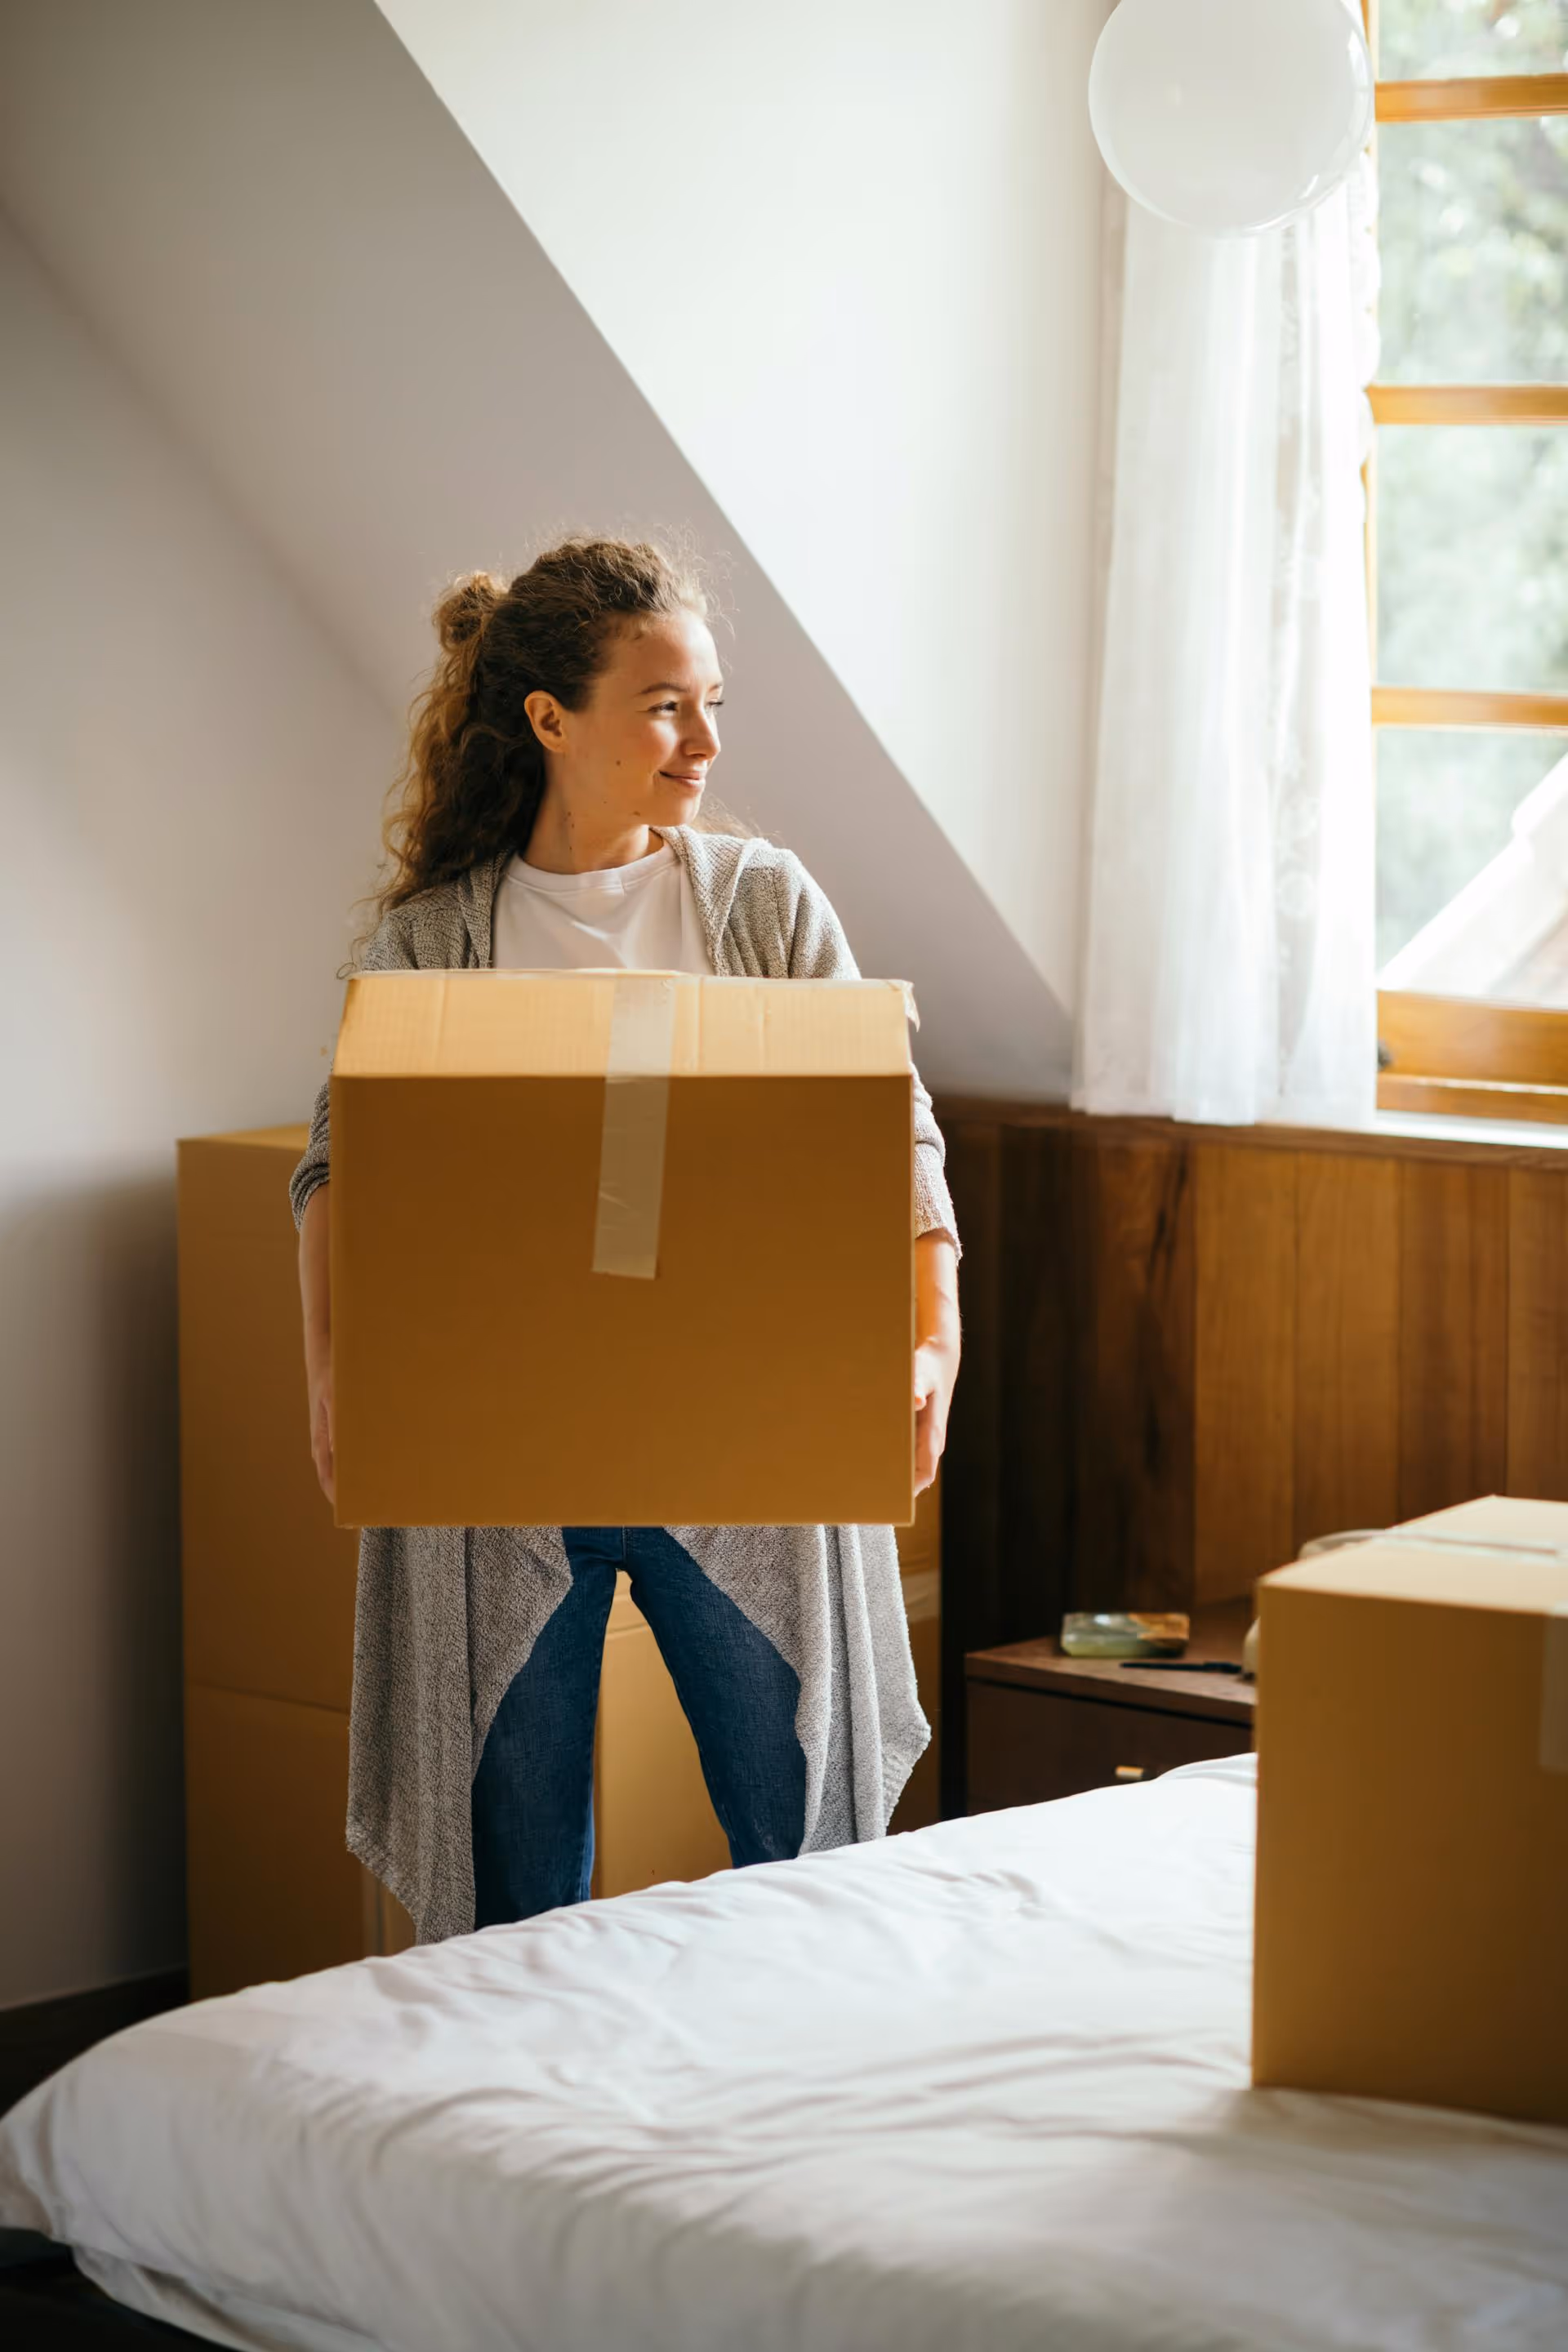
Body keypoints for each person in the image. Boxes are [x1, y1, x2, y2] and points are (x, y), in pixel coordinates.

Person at [291, 535, 962, 1942]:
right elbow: (342, 1170)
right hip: (498, 1467)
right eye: (667, 705)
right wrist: (333, 1376)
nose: (704, 741)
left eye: (713, 703)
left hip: (746, 1448)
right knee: (511, 1906)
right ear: (551, 719)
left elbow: (894, 1132)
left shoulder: (764, 904)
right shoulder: (433, 942)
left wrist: (933, 1336)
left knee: (807, 1867)